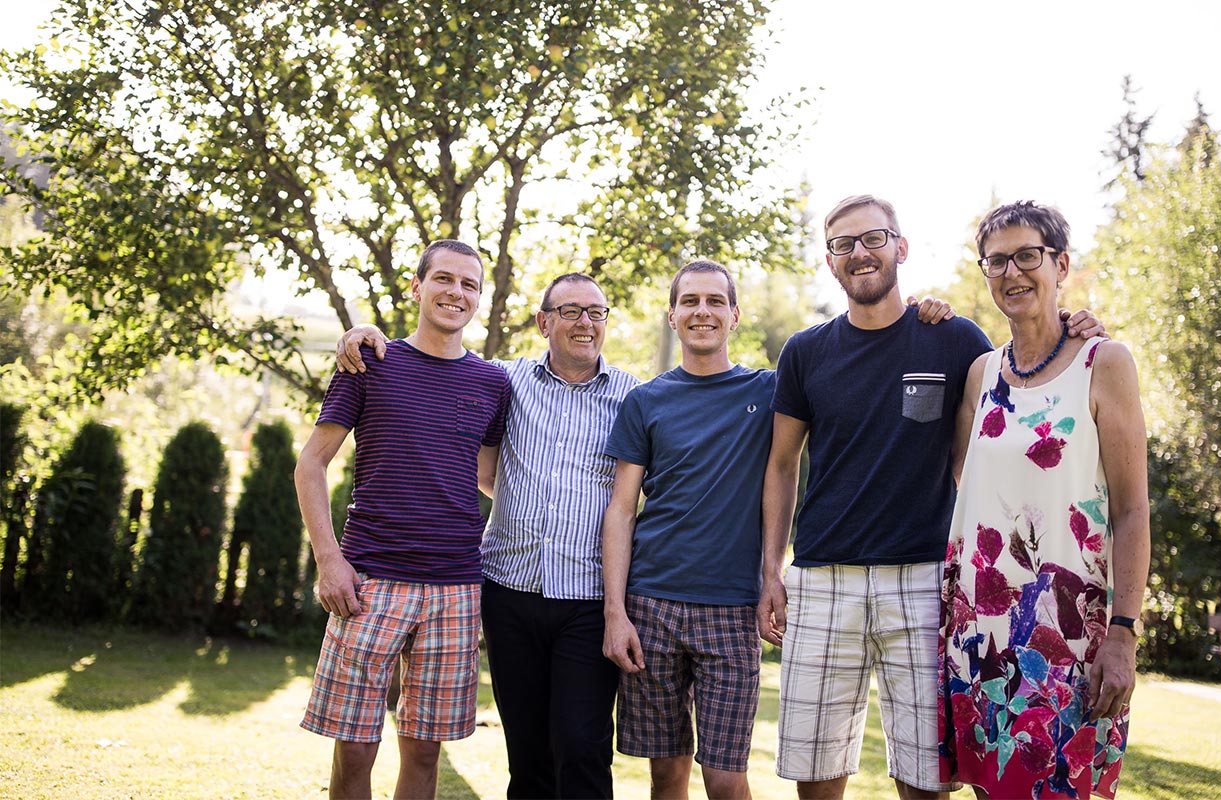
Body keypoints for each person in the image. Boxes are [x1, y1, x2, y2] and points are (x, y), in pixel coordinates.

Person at [759, 195, 1104, 800]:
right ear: (831, 260)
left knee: (926, 779)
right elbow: (782, 464)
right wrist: (771, 568)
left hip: (925, 581)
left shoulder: (952, 339)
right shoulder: (805, 352)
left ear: (901, 247)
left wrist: (1080, 327)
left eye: (872, 238)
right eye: (843, 244)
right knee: (814, 779)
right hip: (822, 577)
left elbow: (1027, 372)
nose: (859, 253)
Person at [336, 273, 639, 799]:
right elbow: (442, 362)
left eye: (596, 312)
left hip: (588, 597)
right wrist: (363, 332)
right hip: (508, 592)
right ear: (544, 322)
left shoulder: (634, 397)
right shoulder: (503, 381)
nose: (584, 323)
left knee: (582, 747)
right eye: (569, 311)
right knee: (526, 754)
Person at [938, 201, 1149, 799]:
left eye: (1027, 255)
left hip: (1069, 634)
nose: (1013, 272)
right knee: (991, 787)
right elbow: (964, 476)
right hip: (980, 632)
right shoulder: (981, 373)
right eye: (997, 261)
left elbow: (1132, 509)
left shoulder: (1104, 363)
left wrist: (1125, 634)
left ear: (1060, 264)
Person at [296, 239, 511, 800]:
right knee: (354, 750)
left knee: (423, 752)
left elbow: (489, 479)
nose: (455, 292)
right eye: (443, 279)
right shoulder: (370, 361)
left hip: (456, 587)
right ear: (417, 287)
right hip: (369, 582)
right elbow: (311, 464)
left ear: (479, 298)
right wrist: (329, 561)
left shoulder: (493, 383)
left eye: (468, 284)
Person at [601, 259, 773, 800]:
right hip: (652, 606)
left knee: (725, 779)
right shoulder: (645, 401)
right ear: (672, 315)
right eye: (691, 302)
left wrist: (918, 317)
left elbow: (849, 364)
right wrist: (615, 612)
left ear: (735, 314)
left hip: (732, 608)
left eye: (715, 301)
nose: (703, 311)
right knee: (665, 774)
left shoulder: (769, 393)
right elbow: (621, 510)